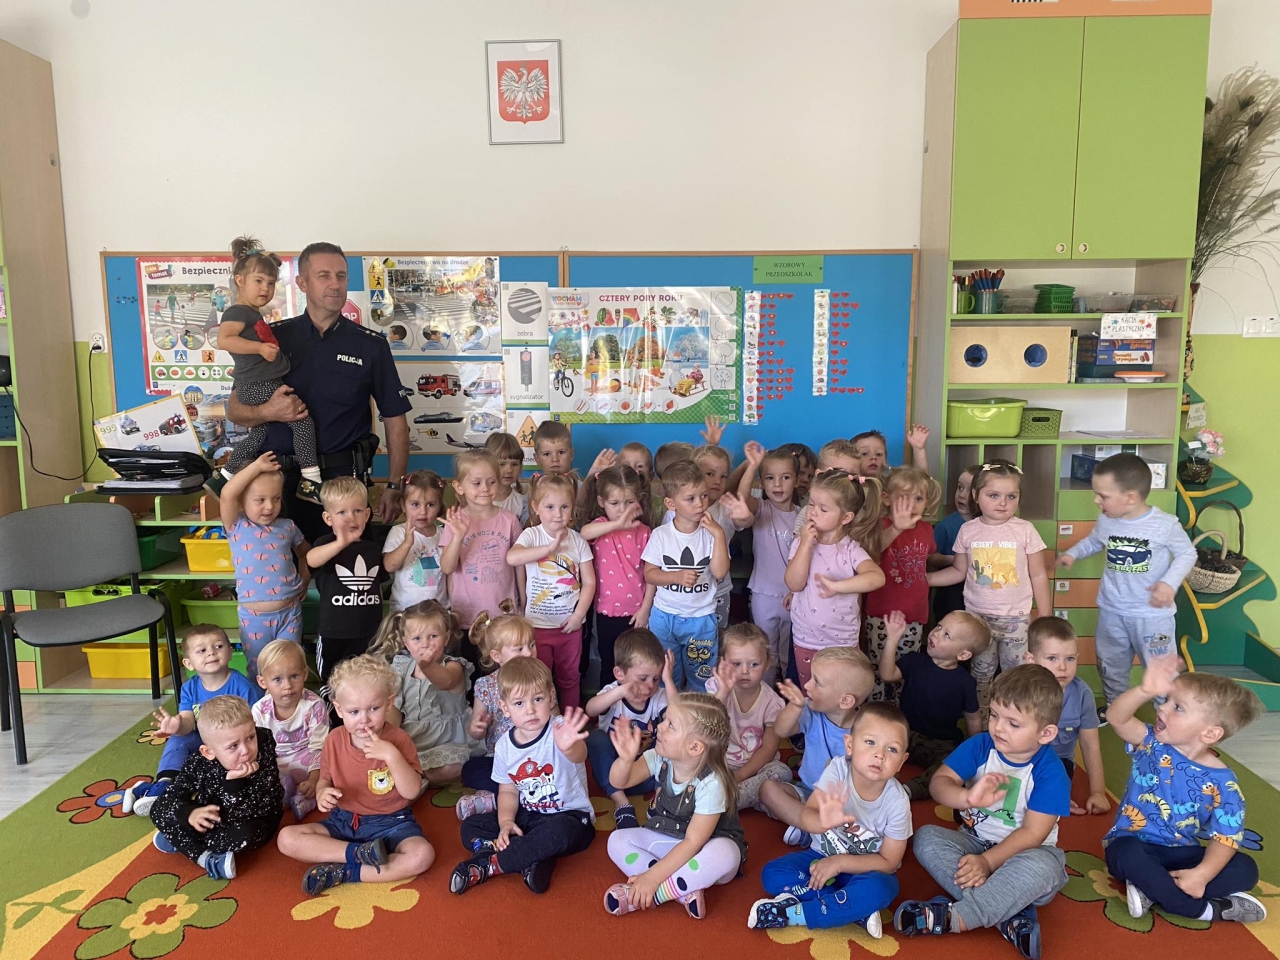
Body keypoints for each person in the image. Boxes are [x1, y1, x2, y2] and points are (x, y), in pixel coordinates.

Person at [225, 242, 411, 544]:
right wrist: (267, 412)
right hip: (274, 485)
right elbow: (234, 409)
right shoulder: (271, 340)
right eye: (324, 276)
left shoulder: (371, 346)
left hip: (343, 487)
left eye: (341, 276)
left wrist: (394, 485)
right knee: (279, 570)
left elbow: (395, 418)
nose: (335, 284)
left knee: (345, 570)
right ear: (302, 283)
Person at [896, 665, 1072, 960]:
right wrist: (965, 797)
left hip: (1025, 855)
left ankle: (954, 918)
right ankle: (1008, 915)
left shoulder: (1051, 772)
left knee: (1045, 868)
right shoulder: (980, 745)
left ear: (1046, 733)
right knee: (925, 837)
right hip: (973, 842)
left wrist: (988, 862)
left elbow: (1033, 834)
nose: (998, 727)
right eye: (994, 715)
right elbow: (940, 783)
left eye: (1013, 723)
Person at [1103, 655, 1267, 925]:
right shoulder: (1151, 743)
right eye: (1167, 699)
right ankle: (1202, 910)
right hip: (1135, 844)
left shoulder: (1224, 783)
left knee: (1246, 869)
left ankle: (1152, 889)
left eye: (1178, 707)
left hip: (1182, 854)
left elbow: (1226, 838)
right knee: (1124, 854)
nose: (1162, 707)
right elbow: (1116, 718)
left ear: (1210, 734)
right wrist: (1145, 690)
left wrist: (1202, 874)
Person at [749, 703, 913, 939]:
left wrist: (838, 863)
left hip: (862, 870)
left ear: (902, 762)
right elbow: (807, 815)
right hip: (819, 857)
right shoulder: (838, 770)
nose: (880, 754)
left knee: (884, 887)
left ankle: (795, 914)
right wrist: (822, 821)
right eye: (870, 742)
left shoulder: (897, 801)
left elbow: (889, 862)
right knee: (772, 873)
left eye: (892, 749)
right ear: (850, 745)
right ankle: (851, 908)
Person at [276, 655, 435, 895]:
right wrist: (322, 792)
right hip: (344, 821)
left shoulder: (398, 740)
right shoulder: (334, 740)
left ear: (389, 704)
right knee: (286, 838)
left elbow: (412, 791)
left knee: (422, 855)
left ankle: (347, 872)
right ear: (339, 710)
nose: (364, 720)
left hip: (392, 822)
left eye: (374, 708)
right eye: (354, 711)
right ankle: (357, 854)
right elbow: (325, 779)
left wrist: (391, 756)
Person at [1057, 453, 1197, 715]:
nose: (1096, 500)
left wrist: (1169, 584)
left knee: (1160, 670)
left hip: (1152, 616)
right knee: (1110, 665)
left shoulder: (1164, 525)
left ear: (1130, 497)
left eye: (1103, 496)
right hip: (1112, 611)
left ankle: (1167, 713)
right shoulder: (1107, 520)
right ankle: (1115, 708)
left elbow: (1187, 554)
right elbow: (1095, 542)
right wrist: (1073, 553)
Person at [451, 658, 595, 896]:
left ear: (551, 697)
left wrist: (569, 746)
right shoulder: (505, 746)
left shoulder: (560, 729)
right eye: (519, 703)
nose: (530, 710)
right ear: (505, 708)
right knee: (470, 826)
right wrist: (506, 822)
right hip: (528, 817)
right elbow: (508, 790)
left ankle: (492, 864)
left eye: (537, 699)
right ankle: (532, 859)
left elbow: (580, 755)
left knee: (558, 832)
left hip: (569, 817)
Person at [603, 693, 747, 920]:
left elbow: (694, 842)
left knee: (726, 853)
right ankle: (683, 890)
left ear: (694, 747)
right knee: (616, 840)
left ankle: (655, 894)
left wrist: (651, 878)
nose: (659, 727)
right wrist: (625, 759)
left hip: (704, 848)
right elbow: (619, 782)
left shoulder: (712, 783)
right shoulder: (659, 757)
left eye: (670, 725)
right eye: (664, 720)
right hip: (668, 839)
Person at [930, 460, 1052, 723]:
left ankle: (1014, 719)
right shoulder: (968, 530)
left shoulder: (1025, 530)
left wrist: (1045, 616)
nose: (1003, 503)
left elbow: (1039, 574)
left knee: (1015, 674)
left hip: (1016, 619)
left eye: (1011, 496)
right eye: (993, 495)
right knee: (981, 674)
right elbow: (958, 572)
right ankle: (985, 723)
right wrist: (923, 580)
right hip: (978, 621)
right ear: (976, 495)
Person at [217, 237, 323, 504]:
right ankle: (311, 481)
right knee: (302, 422)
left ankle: (225, 476)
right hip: (259, 383)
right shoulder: (238, 312)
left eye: (271, 283)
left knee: (260, 433)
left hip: (255, 382)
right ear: (240, 280)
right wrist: (260, 349)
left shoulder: (251, 313)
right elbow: (224, 340)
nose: (266, 288)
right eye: (259, 281)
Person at [125, 625, 256, 817]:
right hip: (201, 740)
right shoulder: (189, 688)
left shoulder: (242, 686)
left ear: (230, 652)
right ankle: (164, 784)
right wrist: (177, 725)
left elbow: (256, 723)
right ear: (188, 663)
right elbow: (187, 722)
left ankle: (153, 790)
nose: (211, 653)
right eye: (201, 650)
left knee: (219, 772)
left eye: (218, 646)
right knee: (178, 740)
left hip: (229, 744)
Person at [149, 696, 284, 880]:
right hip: (212, 819)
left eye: (250, 737)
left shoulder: (263, 747)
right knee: (158, 809)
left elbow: (262, 807)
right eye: (233, 746)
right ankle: (205, 857)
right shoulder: (198, 763)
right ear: (208, 752)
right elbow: (169, 798)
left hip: (252, 819)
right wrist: (189, 814)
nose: (246, 750)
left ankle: (183, 842)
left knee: (248, 833)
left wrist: (234, 784)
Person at [760, 647, 876, 844]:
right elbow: (781, 730)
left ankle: (812, 828)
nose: (807, 685)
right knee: (767, 790)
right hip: (807, 791)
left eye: (817, 682)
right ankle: (813, 828)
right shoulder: (809, 709)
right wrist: (794, 707)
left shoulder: (867, 731)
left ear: (845, 701)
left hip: (843, 804)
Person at [785, 470, 885, 687]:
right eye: (811, 504)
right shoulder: (801, 543)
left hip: (843, 643)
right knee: (811, 694)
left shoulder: (850, 550)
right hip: (806, 639)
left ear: (846, 517)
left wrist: (838, 586)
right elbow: (794, 583)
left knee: (840, 695)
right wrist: (805, 545)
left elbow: (877, 577)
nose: (813, 512)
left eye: (823, 509)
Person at [641, 460, 735, 691]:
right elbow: (649, 574)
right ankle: (668, 712)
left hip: (701, 618)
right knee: (665, 675)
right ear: (671, 503)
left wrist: (719, 535)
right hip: (665, 617)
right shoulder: (660, 535)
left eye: (703, 496)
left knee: (701, 678)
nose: (700, 504)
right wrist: (675, 577)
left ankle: (696, 713)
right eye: (690, 498)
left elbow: (720, 572)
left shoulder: (712, 534)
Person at [878, 610, 989, 801]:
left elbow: (973, 718)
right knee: (874, 737)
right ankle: (874, 778)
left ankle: (909, 790)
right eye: (939, 626)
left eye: (946, 635)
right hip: (904, 733)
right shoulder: (915, 661)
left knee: (951, 764)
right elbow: (887, 675)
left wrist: (973, 751)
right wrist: (892, 639)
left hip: (940, 743)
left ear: (963, 654)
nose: (936, 633)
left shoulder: (965, 683)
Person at [508, 473, 596, 709]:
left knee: (570, 678)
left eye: (564, 507)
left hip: (569, 627)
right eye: (550, 507)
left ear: (572, 508)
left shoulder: (578, 541)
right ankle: (545, 723)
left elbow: (589, 583)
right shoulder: (531, 535)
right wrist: (548, 548)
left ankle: (571, 721)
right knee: (540, 681)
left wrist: (578, 616)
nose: (558, 513)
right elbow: (512, 558)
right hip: (537, 627)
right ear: (536, 508)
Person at [220, 452, 309, 679]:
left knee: (291, 667)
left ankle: (295, 702)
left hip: (290, 613)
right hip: (254, 618)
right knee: (258, 670)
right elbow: (227, 494)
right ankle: (261, 703)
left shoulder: (288, 526)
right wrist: (257, 467)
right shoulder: (236, 526)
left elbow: (305, 554)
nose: (269, 506)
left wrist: (305, 579)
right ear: (242, 500)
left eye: (276, 498)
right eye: (260, 500)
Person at [370, 600, 478, 786]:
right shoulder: (401, 667)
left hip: (448, 741)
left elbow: (445, 681)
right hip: (413, 738)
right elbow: (395, 709)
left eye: (433, 636)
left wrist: (427, 666)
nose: (425, 644)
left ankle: (417, 777)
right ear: (406, 642)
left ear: (446, 638)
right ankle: (413, 776)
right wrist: (386, 734)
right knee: (384, 757)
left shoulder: (454, 666)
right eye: (417, 639)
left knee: (454, 767)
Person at [585, 628, 677, 829]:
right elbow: (590, 709)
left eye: (656, 678)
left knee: (674, 736)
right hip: (613, 775)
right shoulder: (613, 692)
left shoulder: (659, 696)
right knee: (595, 738)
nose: (650, 686)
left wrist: (668, 680)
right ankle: (621, 802)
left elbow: (679, 717)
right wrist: (621, 691)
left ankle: (660, 798)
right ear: (620, 673)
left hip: (649, 773)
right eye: (642, 678)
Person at [864, 466, 941, 702]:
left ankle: (901, 711)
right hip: (882, 614)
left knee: (906, 668)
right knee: (879, 667)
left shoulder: (926, 529)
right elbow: (870, 553)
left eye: (918, 498)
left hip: (915, 615)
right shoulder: (881, 525)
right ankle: (877, 711)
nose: (911, 505)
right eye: (904, 498)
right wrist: (897, 528)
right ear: (887, 499)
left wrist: (952, 560)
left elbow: (926, 557)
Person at [307, 477, 390, 694]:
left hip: (369, 633)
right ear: (328, 518)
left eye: (357, 511)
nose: (351, 517)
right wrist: (340, 544)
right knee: (332, 684)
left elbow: (377, 586)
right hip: (334, 633)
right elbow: (311, 560)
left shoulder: (372, 549)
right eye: (342, 512)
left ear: (367, 514)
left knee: (370, 683)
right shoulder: (325, 545)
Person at [1023, 617, 1109, 816]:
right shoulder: (1018, 690)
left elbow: (1090, 745)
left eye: (1070, 659)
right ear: (1031, 660)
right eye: (1052, 658)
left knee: (1052, 791)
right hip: (1020, 756)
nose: (1062, 667)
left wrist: (1098, 792)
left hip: (1058, 762)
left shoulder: (1082, 694)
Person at [579, 465, 656, 682]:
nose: (622, 509)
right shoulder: (600, 527)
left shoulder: (645, 532)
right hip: (606, 613)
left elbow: (651, 575)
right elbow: (584, 533)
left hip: (637, 613)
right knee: (610, 665)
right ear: (601, 502)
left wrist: (645, 609)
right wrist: (617, 524)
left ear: (639, 499)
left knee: (637, 667)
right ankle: (608, 705)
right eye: (614, 503)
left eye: (629, 502)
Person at [705, 624, 793, 810]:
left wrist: (740, 775)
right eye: (736, 664)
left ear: (767, 664)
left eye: (754, 664)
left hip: (756, 767)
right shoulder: (716, 687)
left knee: (782, 772)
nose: (745, 671)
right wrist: (724, 693)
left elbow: (769, 748)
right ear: (723, 663)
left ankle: (727, 800)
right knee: (688, 760)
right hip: (718, 764)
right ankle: (748, 799)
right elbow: (705, 726)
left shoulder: (773, 702)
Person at [459, 606, 539, 804]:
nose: (529, 652)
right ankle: (522, 794)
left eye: (532, 644)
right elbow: (475, 730)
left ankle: (506, 796)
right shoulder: (485, 685)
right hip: (499, 758)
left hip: (535, 754)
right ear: (497, 656)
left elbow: (555, 718)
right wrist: (478, 728)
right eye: (519, 648)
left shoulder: (540, 679)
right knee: (470, 769)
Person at [440, 450, 524, 639]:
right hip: (467, 616)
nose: (485, 488)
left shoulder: (510, 520)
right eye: (477, 483)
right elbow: (447, 568)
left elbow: (520, 565)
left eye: (491, 482)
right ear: (459, 487)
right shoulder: (455, 521)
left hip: (504, 613)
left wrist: (523, 600)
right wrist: (457, 537)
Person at [737, 442, 799, 685]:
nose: (778, 484)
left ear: (796, 480)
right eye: (770, 478)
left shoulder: (804, 514)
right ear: (761, 483)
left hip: (794, 596)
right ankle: (765, 695)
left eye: (785, 477)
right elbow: (742, 499)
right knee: (765, 651)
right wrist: (752, 466)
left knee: (788, 653)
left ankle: (787, 696)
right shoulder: (761, 508)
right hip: (763, 593)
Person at [251, 639, 328, 820]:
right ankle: (286, 790)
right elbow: (260, 749)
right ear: (263, 682)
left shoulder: (314, 705)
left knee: (334, 763)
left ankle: (308, 798)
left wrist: (314, 779)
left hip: (307, 757)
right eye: (277, 679)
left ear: (304, 673)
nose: (287, 686)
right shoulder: (260, 710)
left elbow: (319, 747)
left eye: (294, 676)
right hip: (276, 760)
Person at [381, 469, 448, 613]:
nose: (423, 512)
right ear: (403, 505)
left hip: (438, 612)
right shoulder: (399, 532)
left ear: (439, 506)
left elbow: (450, 569)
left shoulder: (444, 534)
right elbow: (389, 566)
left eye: (430, 504)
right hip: (404, 611)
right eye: (415, 504)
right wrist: (406, 544)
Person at [929, 463, 977, 624]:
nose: (962, 495)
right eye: (960, 487)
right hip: (950, 593)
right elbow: (931, 557)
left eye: (970, 490)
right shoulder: (946, 525)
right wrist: (952, 560)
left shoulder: (989, 526)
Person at [850, 425, 930, 479]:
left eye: (879, 454)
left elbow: (921, 482)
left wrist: (918, 449)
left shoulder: (892, 484)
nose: (873, 458)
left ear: (886, 460)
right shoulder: (849, 487)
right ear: (851, 458)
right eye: (864, 453)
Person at [485, 432, 528, 524]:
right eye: (502, 464)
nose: (509, 470)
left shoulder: (521, 502)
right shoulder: (478, 500)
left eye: (514, 464)